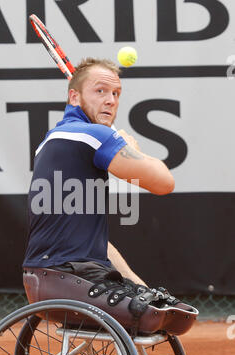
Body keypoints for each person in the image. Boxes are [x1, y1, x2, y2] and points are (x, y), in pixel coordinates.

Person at [22, 57, 175, 306]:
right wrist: (132, 148)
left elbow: (96, 246)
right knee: (159, 316)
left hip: (44, 277)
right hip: (71, 277)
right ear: (74, 97)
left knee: (157, 306)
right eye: (100, 91)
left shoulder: (51, 141)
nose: (110, 100)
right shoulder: (94, 135)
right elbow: (164, 183)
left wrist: (137, 284)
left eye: (116, 93)